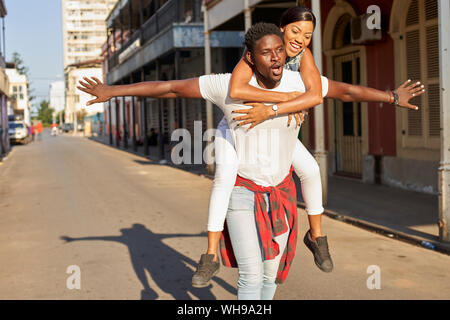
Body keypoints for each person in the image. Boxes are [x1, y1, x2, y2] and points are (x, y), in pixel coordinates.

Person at [78, 23, 423, 300]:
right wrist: (112, 91)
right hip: (242, 193)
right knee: (251, 274)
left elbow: (347, 92)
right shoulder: (225, 86)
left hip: (282, 193)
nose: (275, 58)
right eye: (265, 53)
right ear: (250, 58)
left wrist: (391, 97)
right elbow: (170, 88)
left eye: (279, 51)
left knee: (271, 275)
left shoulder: (301, 82)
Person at [191, 7, 425, 288]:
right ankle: (211, 254)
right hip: (236, 127)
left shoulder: (303, 59)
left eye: (308, 35)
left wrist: (390, 97)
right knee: (224, 178)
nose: (300, 39)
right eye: (295, 31)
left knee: (312, 170)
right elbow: (237, 91)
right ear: (280, 28)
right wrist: (281, 101)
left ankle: (316, 237)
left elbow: (337, 92)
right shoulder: (255, 54)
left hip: (280, 136)